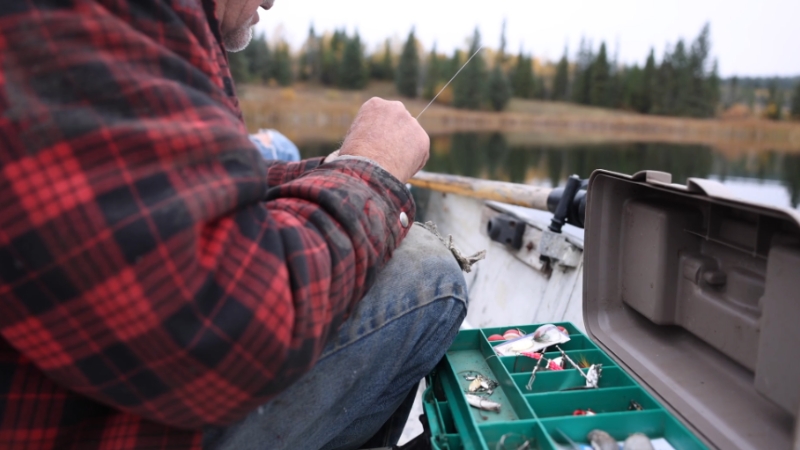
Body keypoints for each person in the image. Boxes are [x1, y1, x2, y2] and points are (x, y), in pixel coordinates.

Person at [0, 0, 468, 449]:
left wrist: (332, 168)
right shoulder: (113, 17)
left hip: (96, 392)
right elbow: (225, 326)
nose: (272, 1)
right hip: (111, 425)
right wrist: (373, 170)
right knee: (426, 275)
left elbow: (176, 191)